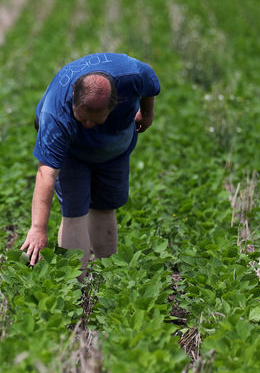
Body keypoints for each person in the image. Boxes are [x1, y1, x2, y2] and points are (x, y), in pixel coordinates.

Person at [20, 52, 160, 270]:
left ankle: (109, 274)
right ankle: (77, 285)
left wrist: (147, 113)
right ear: (74, 101)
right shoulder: (56, 116)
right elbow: (46, 173)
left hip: (114, 149)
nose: (87, 124)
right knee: (74, 213)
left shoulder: (133, 75)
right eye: (82, 118)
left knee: (104, 207)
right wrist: (38, 228)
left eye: (95, 121)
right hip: (72, 153)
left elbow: (151, 84)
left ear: (113, 106)